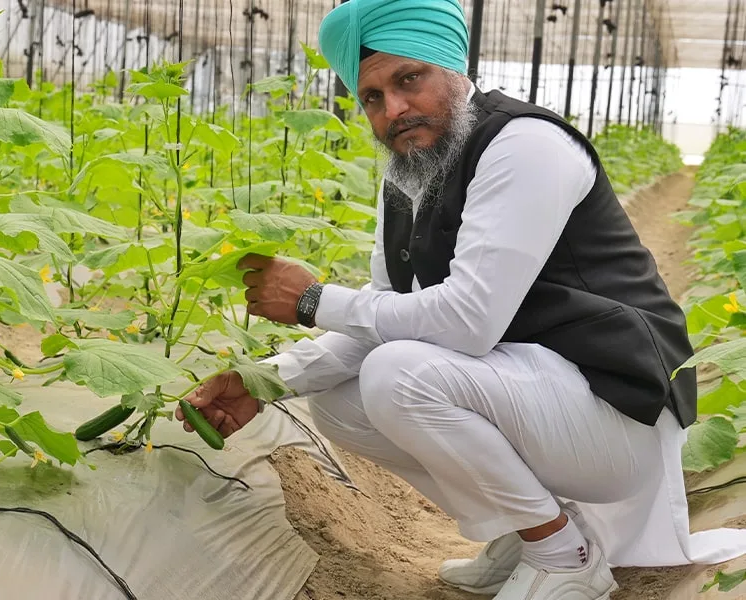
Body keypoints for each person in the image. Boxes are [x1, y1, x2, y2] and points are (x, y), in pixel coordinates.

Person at [176, 1, 746, 598]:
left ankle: (565, 558)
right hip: (541, 395)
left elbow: (467, 323)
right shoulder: (408, 175)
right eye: (371, 97)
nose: (393, 109)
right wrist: (264, 379)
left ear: (453, 67)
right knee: (339, 403)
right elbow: (385, 313)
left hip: (618, 410)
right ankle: (531, 529)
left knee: (399, 374)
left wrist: (315, 300)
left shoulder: (524, 145)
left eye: (407, 79)